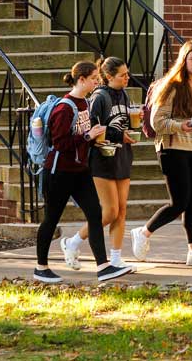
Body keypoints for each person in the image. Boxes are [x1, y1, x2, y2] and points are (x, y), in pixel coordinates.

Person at [32, 61, 135, 284]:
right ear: (81, 80)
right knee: (51, 218)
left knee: (95, 215)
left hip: (79, 170)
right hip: (58, 172)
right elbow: (60, 143)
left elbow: (82, 137)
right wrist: (88, 137)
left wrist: (95, 139)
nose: (97, 81)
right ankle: (41, 267)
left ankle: (103, 266)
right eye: (94, 78)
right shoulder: (65, 107)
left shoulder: (85, 104)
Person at [132, 41, 192, 267]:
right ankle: (143, 232)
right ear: (183, 61)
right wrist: (180, 126)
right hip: (172, 149)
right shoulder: (171, 87)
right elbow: (157, 121)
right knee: (179, 203)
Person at [60, 57, 136, 269]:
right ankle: (72, 242)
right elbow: (93, 128)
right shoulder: (100, 97)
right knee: (109, 211)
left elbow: (122, 123)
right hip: (102, 158)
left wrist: (127, 133)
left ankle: (116, 257)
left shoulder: (125, 94)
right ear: (109, 77)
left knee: (121, 211)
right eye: (123, 75)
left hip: (121, 156)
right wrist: (118, 136)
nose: (127, 78)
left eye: (127, 74)